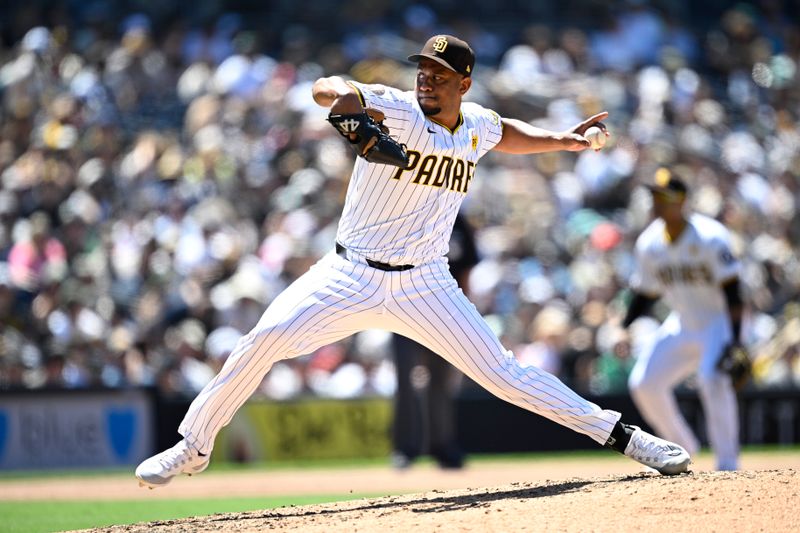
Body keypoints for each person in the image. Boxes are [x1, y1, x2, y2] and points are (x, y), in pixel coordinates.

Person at [135, 34, 690, 488]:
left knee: (505, 375)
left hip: (426, 283)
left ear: (464, 84)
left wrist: (562, 141)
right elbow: (328, 90)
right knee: (261, 341)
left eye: (439, 74)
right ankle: (194, 445)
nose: (426, 78)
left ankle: (628, 438)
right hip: (348, 273)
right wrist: (353, 121)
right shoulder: (397, 109)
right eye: (423, 69)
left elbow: (505, 133)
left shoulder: (475, 123)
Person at [622, 168, 745, 471]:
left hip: (718, 322)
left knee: (712, 378)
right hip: (683, 324)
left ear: (681, 200)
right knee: (643, 383)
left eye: (662, 196)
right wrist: (622, 327)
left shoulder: (710, 236)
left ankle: (728, 463)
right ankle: (683, 447)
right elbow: (646, 295)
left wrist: (738, 340)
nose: (656, 202)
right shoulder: (650, 243)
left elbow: (733, 292)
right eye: (654, 196)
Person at [391, 213, 477, 470]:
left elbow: (466, 268)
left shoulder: (458, 220)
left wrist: (464, 311)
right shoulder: (407, 215)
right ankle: (405, 449)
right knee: (405, 381)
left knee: (440, 381)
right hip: (403, 311)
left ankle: (443, 446)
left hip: (443, 313)